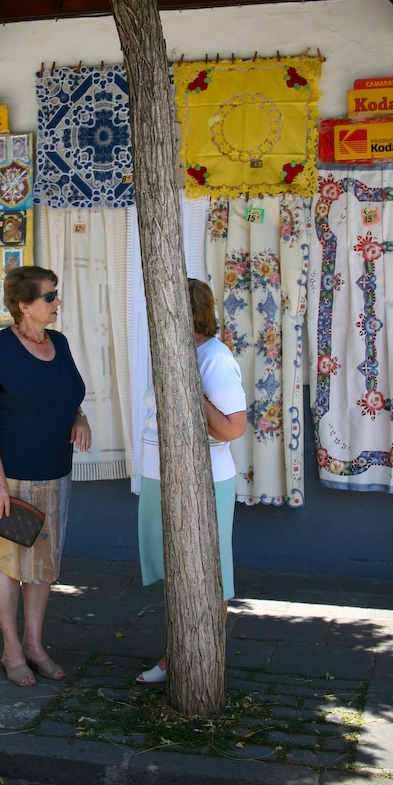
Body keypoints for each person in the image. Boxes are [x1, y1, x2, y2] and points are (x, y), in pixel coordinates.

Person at [0, 266, 92, 687]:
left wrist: (80, 419)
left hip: (55, 471)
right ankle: (11, 649)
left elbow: (70, 397)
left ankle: (35, 645)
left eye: (56, 294)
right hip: (10, 475)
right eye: (49, 296)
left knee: (43, 564)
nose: (57, 301)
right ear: (24, 306)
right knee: (8, 563)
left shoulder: (59, 343)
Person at [136, 277, 247, 684]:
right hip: (159, 476)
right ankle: (181, 652)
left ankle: (194, 660)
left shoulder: (214, 357)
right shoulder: (173, 350)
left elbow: (234, 427)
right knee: (174, 568)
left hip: (203, 480)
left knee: (206, 571)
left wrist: (189, 390)